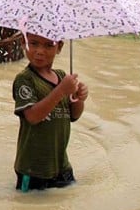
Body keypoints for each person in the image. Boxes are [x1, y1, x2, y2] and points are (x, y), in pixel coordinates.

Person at [12, 33, 89, 191]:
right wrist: (61, 90)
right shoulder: (25, 79)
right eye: (33, 43)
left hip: (62, 166)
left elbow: (74, 115)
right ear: (23, 43)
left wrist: (79, 97)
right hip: (33, 169)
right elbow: (32, 117)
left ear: (59, 47)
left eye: (48, 45)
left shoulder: (62, 77)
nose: (40, 51)